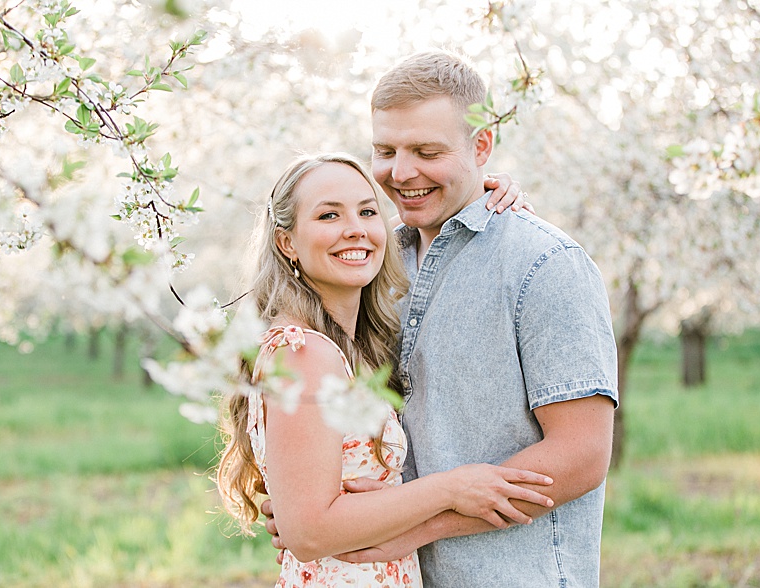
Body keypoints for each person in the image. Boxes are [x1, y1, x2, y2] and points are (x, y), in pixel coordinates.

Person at [264, 51, 619, 587]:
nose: (401, 173)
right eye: (385, 151)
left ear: (481, 146)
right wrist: (313, 509)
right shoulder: (374, 265)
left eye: (427, 151)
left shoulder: (543, 265)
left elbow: (582, 455)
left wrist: (425, 524)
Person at [216, 153, 557, 587]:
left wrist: (482, 195)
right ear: (287, 243)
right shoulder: (303, 353)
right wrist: (452, 488)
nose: (355, 228)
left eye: (367, 211)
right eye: (328, 215)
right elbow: (308, 531)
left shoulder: (346, 348)